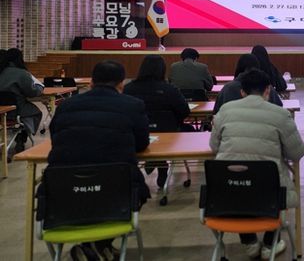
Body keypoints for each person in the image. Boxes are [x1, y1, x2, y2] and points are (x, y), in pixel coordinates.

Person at [48, 61, 150, 260]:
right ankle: (99, 244)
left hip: (63, 190)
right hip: (116, 186)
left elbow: (56, 137)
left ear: (91, 82)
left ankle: (93, 245)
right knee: (139, 190)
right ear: (121, 84)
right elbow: (141, 143)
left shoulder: (66, 106)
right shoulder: (133, 105)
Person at [210, 69, 304, 260]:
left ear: (242, 92)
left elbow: (214, 147)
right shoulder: (280, 114)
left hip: (227, 194)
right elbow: (297, 153)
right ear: (268, 90)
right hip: (269, 195)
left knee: (239, 180)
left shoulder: (225, 111)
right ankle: (270, 244)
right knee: (274, 179)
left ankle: (249, 242)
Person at [124, 55, 190, 188]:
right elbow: (184, 111)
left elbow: (124, 112)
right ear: (163, 70)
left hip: (136, 135)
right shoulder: (169, 89)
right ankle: (158, 163)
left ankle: (155, 162)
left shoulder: (129, 89)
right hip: (169, 133)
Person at [0, 48, 44, 153]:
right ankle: (21, 137)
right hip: (16, 111)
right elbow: (32, 92)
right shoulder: (22, 73)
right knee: (35, 112)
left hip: (1, 112)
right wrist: (40, 87)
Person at [213, 54, 282, 114]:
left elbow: (217, 112)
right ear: (257, 67)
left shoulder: (227, 88)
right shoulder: (267, 88)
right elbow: (279, 108)